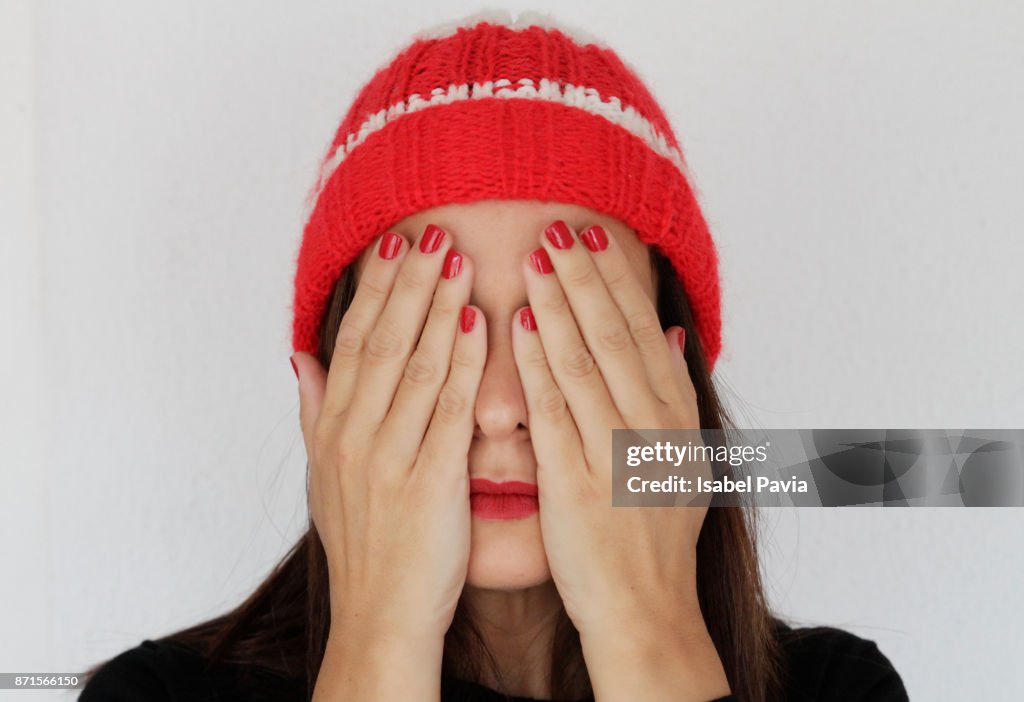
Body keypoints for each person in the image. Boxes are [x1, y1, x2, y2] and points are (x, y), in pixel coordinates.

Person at [79, 10, 908, 702]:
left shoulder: (841, 688)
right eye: (438, 329)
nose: (502, 406)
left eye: (568, 333)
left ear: (670, 377)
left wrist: (646, 628)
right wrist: (378, 638)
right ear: (333, 380)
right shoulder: (154, 695)